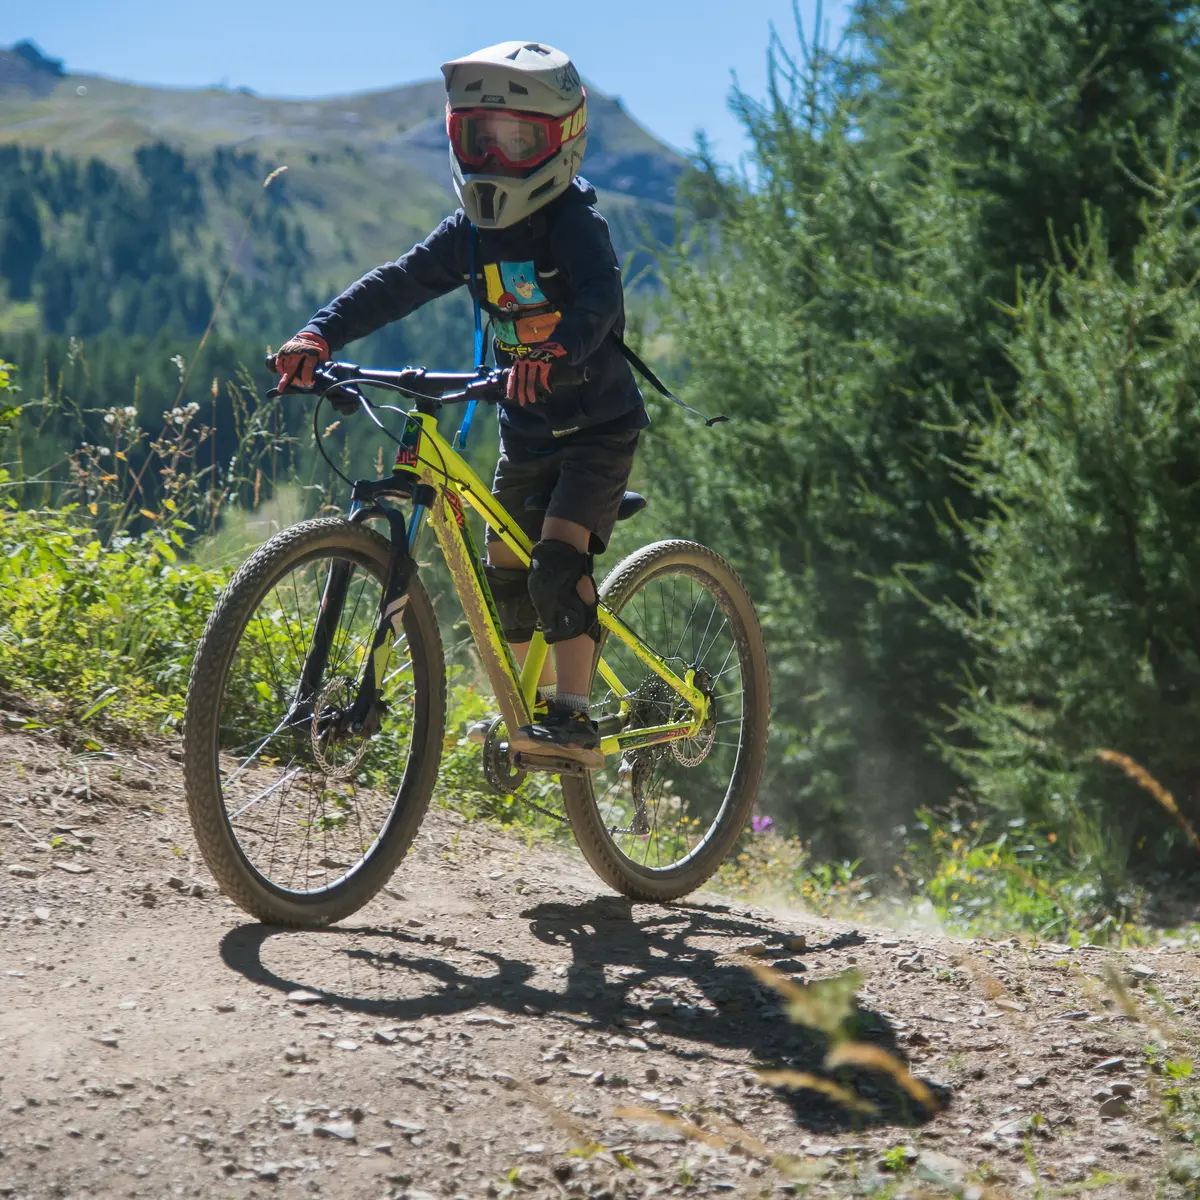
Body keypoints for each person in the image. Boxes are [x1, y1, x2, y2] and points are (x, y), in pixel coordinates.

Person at [273, 41, 648, 769]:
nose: (498, 157)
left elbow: (602, 301)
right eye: (482, 138)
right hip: (529, 426)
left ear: (561, 142)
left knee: (554, 563)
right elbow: (400, 281)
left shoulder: (572, 223)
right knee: (505, 570)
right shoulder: (469, 233)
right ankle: (527, 712)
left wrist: (557, 352)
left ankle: (573, 717)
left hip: (597, 430)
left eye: (519, 141)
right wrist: (319, 332)